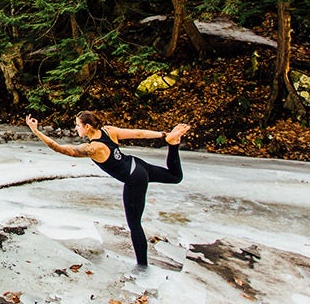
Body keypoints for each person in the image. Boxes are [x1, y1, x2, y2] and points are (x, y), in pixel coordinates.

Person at [25, 110, 190, 268]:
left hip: (134, 178)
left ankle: (142, 268)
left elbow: (59, 148)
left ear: (87, 127)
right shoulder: (108, 131)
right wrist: (164, 135)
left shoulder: (93, 148)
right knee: (175, 177)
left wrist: (37, 132)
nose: (76, 128)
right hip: (138, 165)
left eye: (77, 125)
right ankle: (172, 143)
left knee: (134, 225)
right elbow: (138, 133)